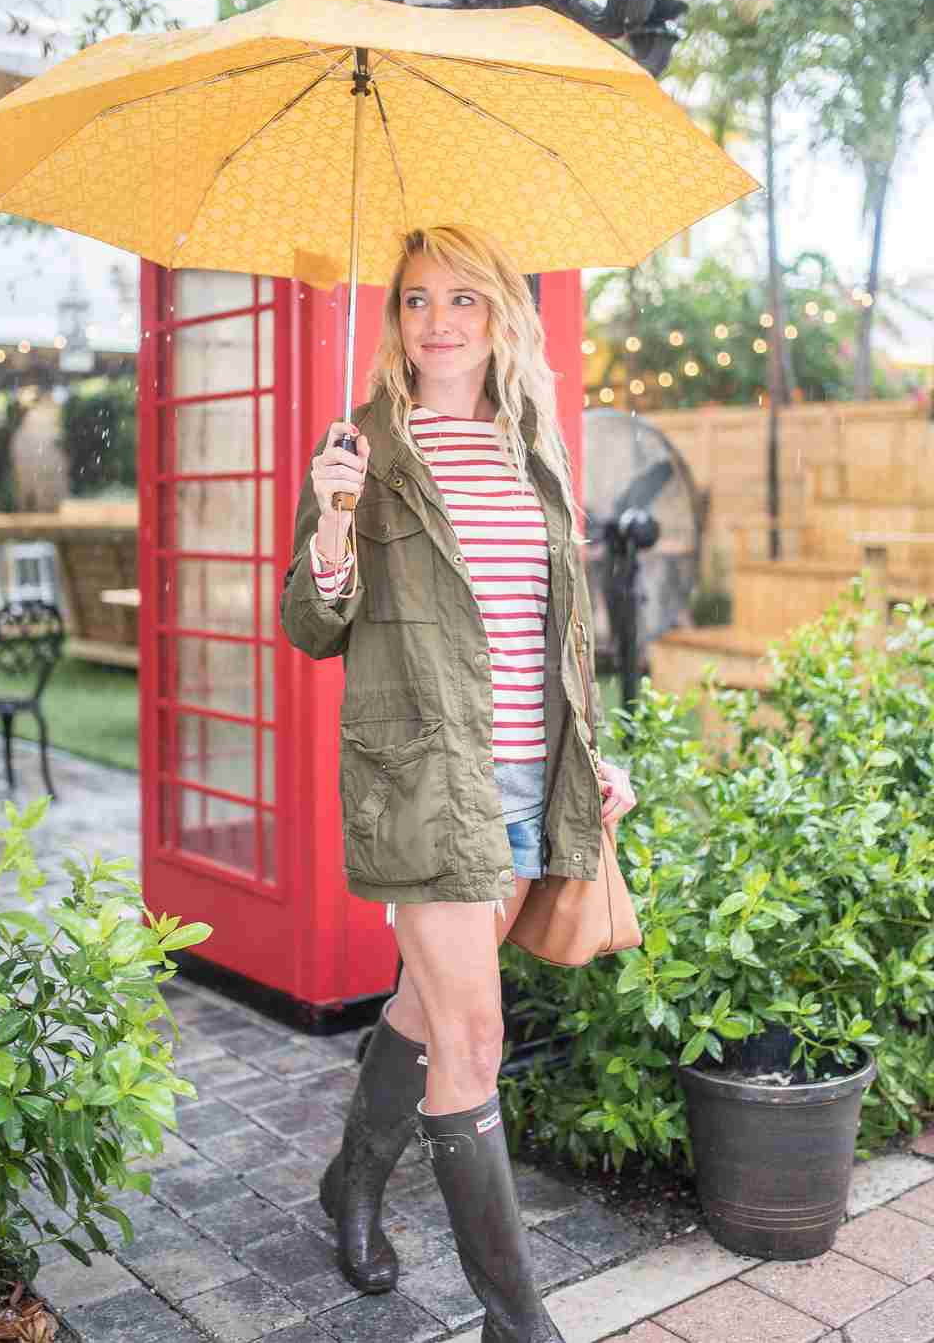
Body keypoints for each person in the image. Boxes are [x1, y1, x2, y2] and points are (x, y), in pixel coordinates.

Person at [280, 225, 636, 1342]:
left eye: (464, 300)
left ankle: (353, 1181)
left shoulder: (533, 439)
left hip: (531, 778)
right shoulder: (362, 445)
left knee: (424, 1007)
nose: (438, 321)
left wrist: (593, 752)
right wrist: (331, 520)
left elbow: (559, 625)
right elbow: (310, 623)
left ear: (500, 319)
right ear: (393, 318)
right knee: (471, 1040)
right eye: (417, 299)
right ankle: (514, 1321)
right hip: (426, 780)